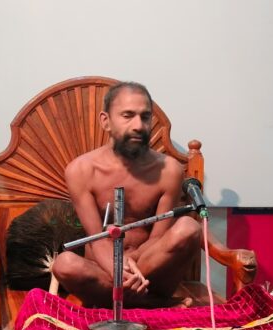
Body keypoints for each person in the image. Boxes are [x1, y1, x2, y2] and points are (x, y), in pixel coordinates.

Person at [50, 82, 202, 308]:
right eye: (128, 116)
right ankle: (153, 305)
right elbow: (97, 240)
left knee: (189, 228)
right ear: (105, 121)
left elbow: (157, 239)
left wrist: (131, 267)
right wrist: (117, 271)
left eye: (145, 117)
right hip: (104, 269)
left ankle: (125, 302)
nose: (138, 125)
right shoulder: (80, 170)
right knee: (64, 264)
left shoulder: (169, 171)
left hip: (152, 271)